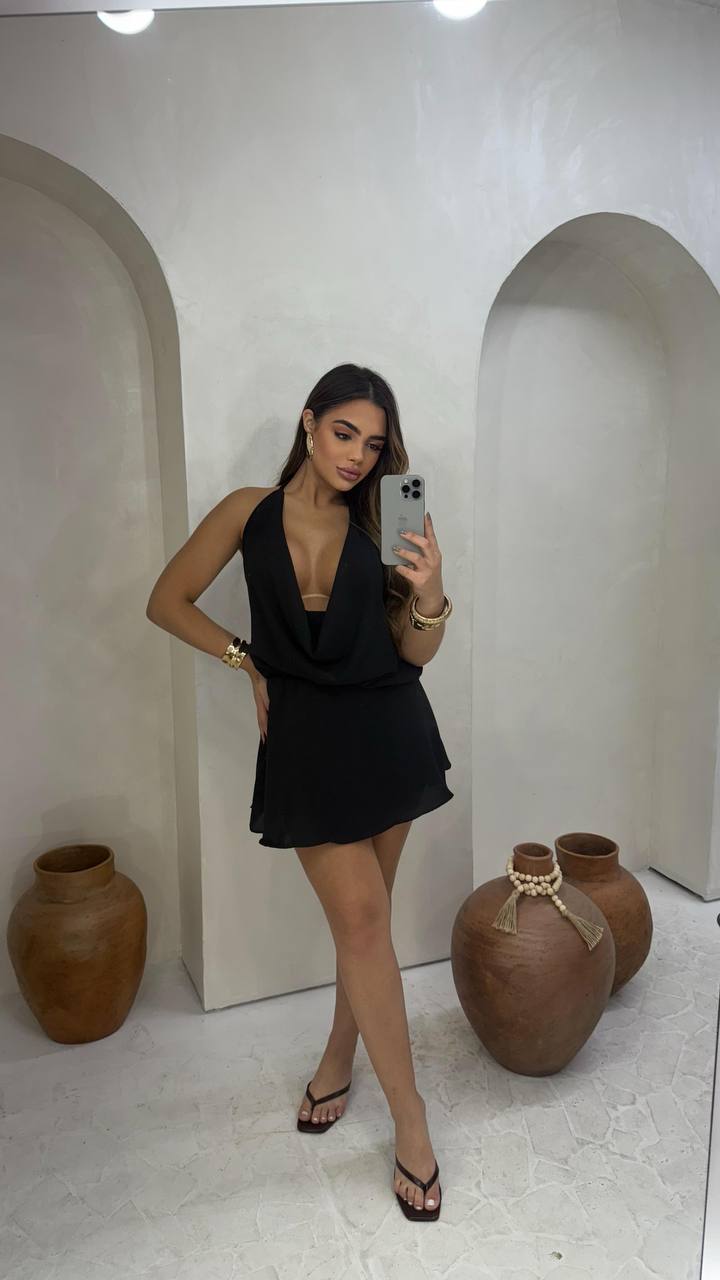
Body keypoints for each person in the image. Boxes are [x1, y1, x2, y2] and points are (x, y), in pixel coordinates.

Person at [146, 363, 454, 1221]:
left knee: (366, 928)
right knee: (363, 924)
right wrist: (247, 661)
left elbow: (414, 652)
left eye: (374, 443)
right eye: (344, 433)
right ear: (310, 423)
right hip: (307, 741)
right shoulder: (247, 511)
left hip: (391, 728)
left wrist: (431, 594)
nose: (357, 455)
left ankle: (341, 1060)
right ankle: (414, 1124)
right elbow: (166, 600)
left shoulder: (389, 513)